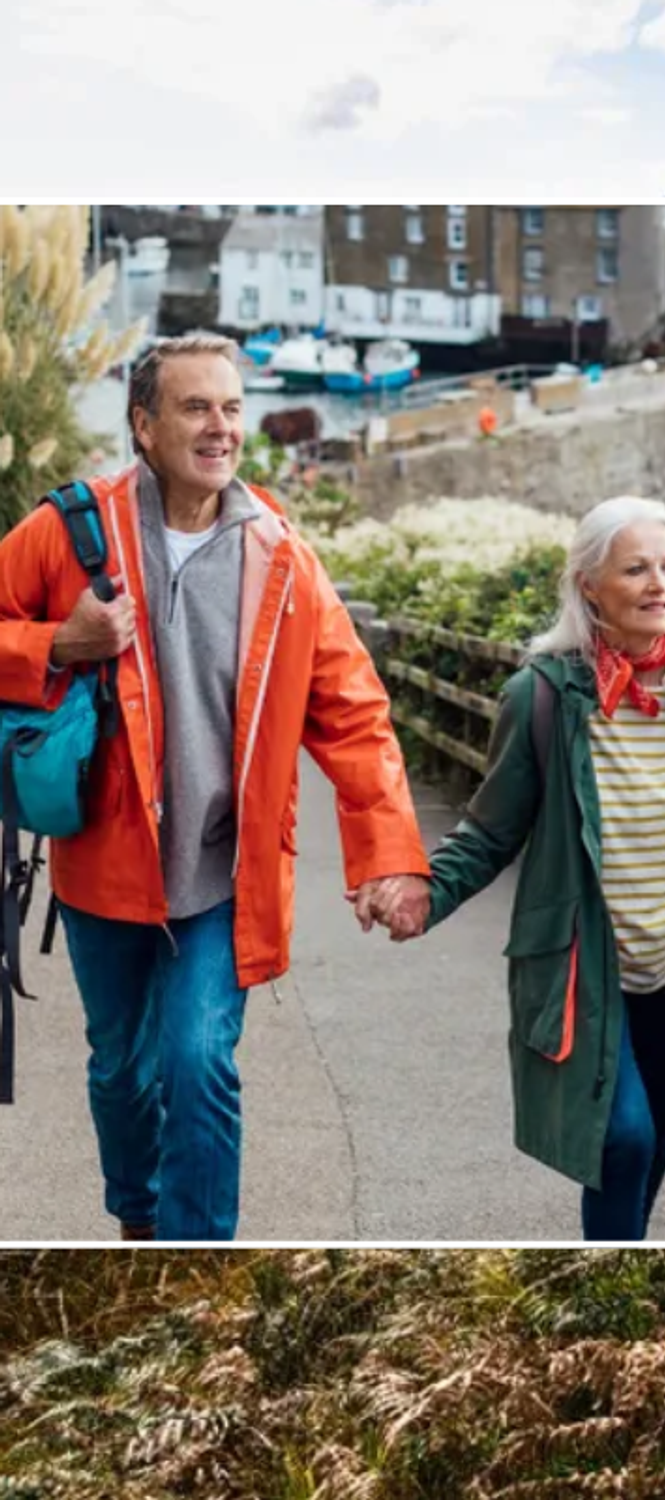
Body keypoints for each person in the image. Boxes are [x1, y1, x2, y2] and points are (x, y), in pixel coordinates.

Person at [0, 333, 429, 1242]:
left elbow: (354, 711)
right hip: (103, 865)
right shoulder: (70, 532)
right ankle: (138, 1218)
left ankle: (196, 1244)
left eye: (232, 408)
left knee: (200, 1061)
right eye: (196, 408)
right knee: (122, 1067)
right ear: (144, 424)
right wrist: (54, 645)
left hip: (223, 872)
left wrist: (391, 858)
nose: (219, 427)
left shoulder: (280, 555)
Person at [364, 496, 665, 1241]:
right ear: (590, 585)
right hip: (587, 970)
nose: (660, 584)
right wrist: (426, 892)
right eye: (636, 569)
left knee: (657, 1125)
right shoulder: (545, 696)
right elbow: (491, 829)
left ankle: (620, 1257)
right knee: (621, 1139)